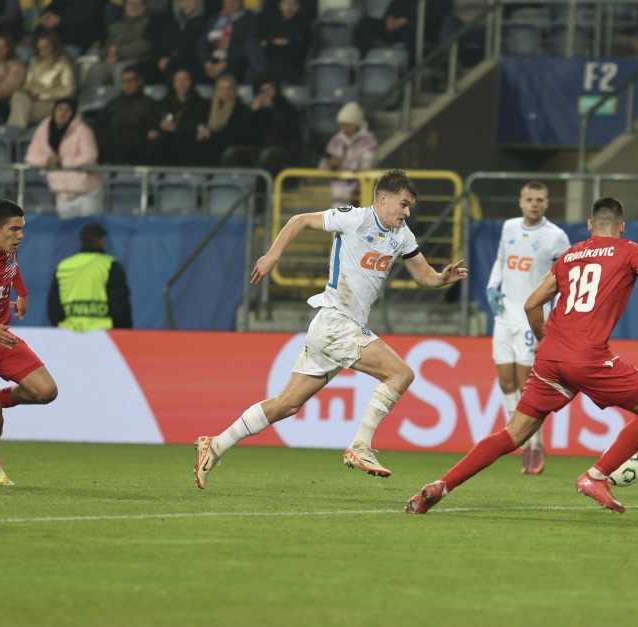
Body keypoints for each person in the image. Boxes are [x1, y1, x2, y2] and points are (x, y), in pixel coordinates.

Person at [405, 197, 638, 514]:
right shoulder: (629, 250)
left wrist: (545, 341)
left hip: (550, 358)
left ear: (589, 225)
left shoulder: (569, 256)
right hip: (587, 356)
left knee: (512, 434)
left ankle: (442, 485)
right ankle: (597, 475)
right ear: (622, 226)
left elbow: (531, 304)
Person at [193, 169, 470, 489]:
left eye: (410, 207)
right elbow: (299, 220)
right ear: (382, 199)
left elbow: (424, 275)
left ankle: (216, 444)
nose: (407, 212)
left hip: (335, 328)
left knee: (287, 404)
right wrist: (272, 255)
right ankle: (360, 445)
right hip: (336, 322)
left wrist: (441, 279)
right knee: (401, 374)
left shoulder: (403, 235)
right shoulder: (355, 219)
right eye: (403, 204)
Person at [0, 199, 59, 486]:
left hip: (0, 339)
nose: (21, 235)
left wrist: (22, 294)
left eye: (22, 229)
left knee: (46, 392)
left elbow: (12, 267)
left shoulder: (7, 249)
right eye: (14, 229)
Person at [485, 182, 570, 474]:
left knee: (526, 385)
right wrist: (492, 287)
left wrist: (553, 317)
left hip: (530, 316)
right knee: (505, 382)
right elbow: (501, 260)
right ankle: (521, 442)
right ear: (521, 202)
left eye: (539, 200)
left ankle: (536, 443)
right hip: (504, 314)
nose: (534, 204)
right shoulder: (509, 227)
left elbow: (565, 280)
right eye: (530, 199)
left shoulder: (556, 236)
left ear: (547, 203)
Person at [24, 97, 104, 219]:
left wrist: (63, 162)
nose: (63, 113)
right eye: (60, 109)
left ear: (73, 113)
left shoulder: (83, 131)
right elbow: (30, 156)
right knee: (68, 229)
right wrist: (46, 161)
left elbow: (90, 157)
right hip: (61, 194)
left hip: (86, 192)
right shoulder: (43, 130)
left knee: (89, 227)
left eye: (67, 110)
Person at [48, 223, 133, 332]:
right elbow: (120, 306)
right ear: (101, 241)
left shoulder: (63, 266)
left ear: (81, 241)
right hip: (103, 334)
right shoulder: (110, 265)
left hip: (69, 334)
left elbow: (54, 308)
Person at [221, 73, 303, 174]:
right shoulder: (253, 110)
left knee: (268, 155)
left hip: (284, 150)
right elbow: (244, 137)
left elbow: (289, 130)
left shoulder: (287, 108)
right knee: (231, 153)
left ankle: (259, 184)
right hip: (259, 149)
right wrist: (252, 113)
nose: (267, 94)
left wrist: (272, 109)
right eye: (263, 91)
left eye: (269, 89)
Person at [7, 29, 77, 131]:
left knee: (21, 109)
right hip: (32, 101)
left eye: (45, 48)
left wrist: (41, 96)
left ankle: (13, 133)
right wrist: (27, 92)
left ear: (53, 47)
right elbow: (28, 84)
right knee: (18, 96)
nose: (42, 52)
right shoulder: (34, 61)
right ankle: (16, 132)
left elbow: (69, 91)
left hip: (53, 103)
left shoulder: (63, 63)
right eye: (39, 49)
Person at [139, 66, 210, 166]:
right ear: (173, 82)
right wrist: (154, 131)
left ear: (191, 81)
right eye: (178, 80)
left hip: (189, 145)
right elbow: (152, 125)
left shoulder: (203, 104)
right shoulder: (161, 104)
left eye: (185, 79)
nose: (181, 83)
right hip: (164, 146)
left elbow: (200, 129)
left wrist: (177, 128)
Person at [92, 65, 157, 165]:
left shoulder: (150, 104)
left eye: (131, 81)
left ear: (140, 81)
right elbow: (98, 126)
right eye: (124, 81)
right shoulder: (113, 103)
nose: (128, 85)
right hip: (108, 150)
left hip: (136, 152)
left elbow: (151, 131)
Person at [81, 0, 153, 89]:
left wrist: (118, 52)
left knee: (121, 69)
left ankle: (123, 96)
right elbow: (105, 47)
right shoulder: (116, 26)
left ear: (144, 6)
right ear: (125, 6)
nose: (134, 7)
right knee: (96, 68)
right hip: (113, 60)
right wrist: (107, 54)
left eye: (138, 4)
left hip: (137, 60)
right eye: (130, 4)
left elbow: (144, 46)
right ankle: (93, 96)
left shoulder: (150, 24)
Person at [318, 101, 378, 206]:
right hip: (337, 199)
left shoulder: (369, 141)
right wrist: (329, 163)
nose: (345, 128)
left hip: (360, 197)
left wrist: (341, 164)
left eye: (349, 125)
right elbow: (322, 166)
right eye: (343, 125)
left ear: (357, 124)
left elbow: (367, 167)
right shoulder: (336, 140)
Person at [188, 72, 252, 166]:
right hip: (206, 142)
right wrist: (200, 130)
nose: (225, 92)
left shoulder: (240, 109)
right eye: (221, 88)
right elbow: (197, 123)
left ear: (234, 90)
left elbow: (237, 135)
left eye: (229, 88)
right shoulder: (206, 107)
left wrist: (211, 134)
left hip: (225, 145)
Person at [197, 0, 258, 84]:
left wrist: (224, 63)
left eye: (234, 2)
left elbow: (246, 47)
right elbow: (203, 41)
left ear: (240, 3)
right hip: (211, 63)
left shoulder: (250, 19)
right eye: (227, 2)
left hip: (235, 64)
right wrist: (206, 62)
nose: (230, 5)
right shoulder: (215, 18)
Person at [258, 0, 312, 85]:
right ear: (280, 5)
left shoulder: (304, 25)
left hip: (292, 66)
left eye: (293, 5)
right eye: (286, 4)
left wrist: (270, 42)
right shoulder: (270, 22)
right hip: (271, 64)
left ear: (299, 7)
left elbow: (298, 45)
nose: (289, 8)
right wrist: (272, 41)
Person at [36, 0, 109, 54]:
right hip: (61, 38)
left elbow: (87, 15)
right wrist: (47, 15)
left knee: (66, 54)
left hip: (85, 40)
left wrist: (60, 20)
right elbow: (52, 7)